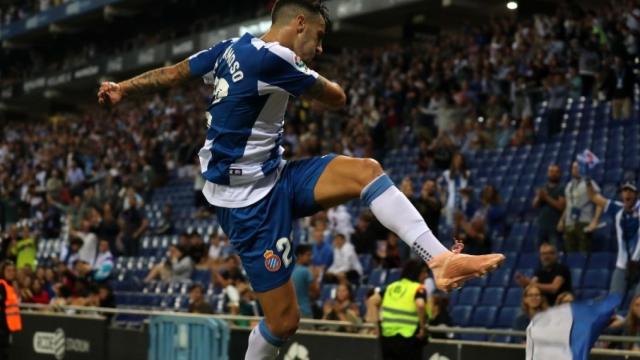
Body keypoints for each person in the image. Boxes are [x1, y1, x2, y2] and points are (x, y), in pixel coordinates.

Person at [97, 1, 504, 358]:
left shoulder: (231, 49)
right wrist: (305, 69)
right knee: (285, 321)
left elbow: (174, 73)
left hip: (276, 176)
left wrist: (122, 89)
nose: (321, 47)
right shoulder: (275, 59)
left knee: (366, 171)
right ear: (299, 24)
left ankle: (440, 259)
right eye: (320, 36)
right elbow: (337, 98)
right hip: (247, 206)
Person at [588, 181, 640, 296]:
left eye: (630, 191)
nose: (627, 193)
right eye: (624, 191)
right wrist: (587, 179)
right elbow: (594, 197)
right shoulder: (617, 208)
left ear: (636, 194)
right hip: (622, 265)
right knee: (612, 302)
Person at [379, 260, 428, 360]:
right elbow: (420, 305)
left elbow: (372, 301)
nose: (426, 275)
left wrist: (376, 324)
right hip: (408, 338)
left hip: (387, 337)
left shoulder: (391, 287)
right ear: (416, 273)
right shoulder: (418, 288)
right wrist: (422, 328)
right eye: (424, 272)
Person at [558, 161, 603, 253]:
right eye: (574, 168)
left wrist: (595, 221)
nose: (576, 170)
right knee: (570, 253)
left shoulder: (589, 183)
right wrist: (562, 220)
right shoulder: (569, 185)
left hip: (584, 221)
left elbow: (600, 202)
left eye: (579, 168)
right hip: (569, 223)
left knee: (583, 253)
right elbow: (568, 205)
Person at [533, 164, 566, 247]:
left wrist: (546, 197)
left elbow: (561, 207)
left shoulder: (562, 188)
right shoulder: (543, 187)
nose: (553, 174)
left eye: (556, 172)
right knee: (540, 250)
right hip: (542, 224)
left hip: (555, 225)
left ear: (560, 174)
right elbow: (534, 205)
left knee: (554, 249)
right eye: (551, 171)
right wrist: (539, 197)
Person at [0, 261, 21, 359]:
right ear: (2, 272)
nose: (11, 273)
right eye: (8, 270)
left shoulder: (11, 286)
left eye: (13, 270)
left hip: (8, 327)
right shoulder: (1, 285)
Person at [291, 244, 318, 318]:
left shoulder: (289, 270)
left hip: (290, 313)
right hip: (304, 312)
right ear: (300, 256)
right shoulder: (306, 271)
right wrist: (316, 277)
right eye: (308, 255)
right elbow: (316, 294)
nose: (310, 258)